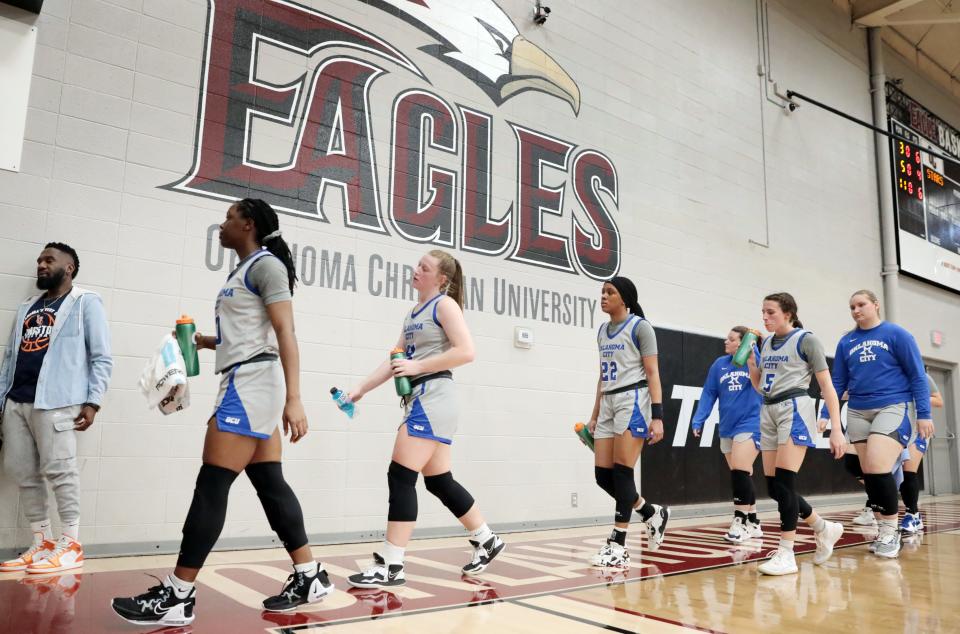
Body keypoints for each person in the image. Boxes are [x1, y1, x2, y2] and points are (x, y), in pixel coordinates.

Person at [111, 199, 332, 627]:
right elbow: (252, 332)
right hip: (248, 380)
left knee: (211, 485)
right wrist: (209, 342)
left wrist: (295, 398)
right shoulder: (244, 270)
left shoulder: (266, 267)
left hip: (251, 386)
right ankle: (309, 576)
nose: (222, 224)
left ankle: (178, 596)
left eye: (230, 217)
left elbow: (285, 332)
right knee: (269, 482)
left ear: (247, 224)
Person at [345, 250, 503, 588]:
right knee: (438, 481)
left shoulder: (444, 305)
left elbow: (466, 351)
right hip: (423, 398)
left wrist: (417, 367)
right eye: (417, 264)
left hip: (434, 397)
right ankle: (486, 538)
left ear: (441, 278)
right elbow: (395, 359)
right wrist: (361, 387)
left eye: (424, 267)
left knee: (400, 476)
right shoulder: (413, 313)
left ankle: (392, 563)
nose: (416, 269)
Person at [0, 242, 112, 574]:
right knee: (24, 473)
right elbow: (10, 358)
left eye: (49, 259)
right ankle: (42, 542)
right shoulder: (27, 307)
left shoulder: (85, 303)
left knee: (61, 472)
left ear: (70, 267)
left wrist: (93, 402)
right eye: (39, 260)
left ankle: (71, 544)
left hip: (57, 402)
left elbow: (101, 357)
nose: (41, 264)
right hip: (17, 401)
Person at [821, 290, 932, 556]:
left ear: (875, 305)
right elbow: (837, 382)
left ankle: (890, 532)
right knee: (869, 470)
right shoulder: (846, 341)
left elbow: (917, 376)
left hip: (892, 406)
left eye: (861, 304)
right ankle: (884, 530)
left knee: (879, 467)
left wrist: (924, 414)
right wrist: (827, 413)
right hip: (858, 410)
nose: (856, 310)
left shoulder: (897, 334)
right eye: (852, 307)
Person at [747, 292, 845, 575]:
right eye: (763, 312)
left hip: (794, 407)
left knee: (786, 483)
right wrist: (753, 368)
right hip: (768, 409)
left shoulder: (806, 340)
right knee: (773, 487)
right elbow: (761, 387)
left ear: (788, 313)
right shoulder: (765, 344)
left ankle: (787, 553)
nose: (765, 318)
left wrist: (836, 429)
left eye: (771, 312)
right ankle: (823, 528)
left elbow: (827, 387)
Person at [587, 277, 670, 568]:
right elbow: (602, 375)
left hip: (632, 400)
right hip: (609, 401)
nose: (604, 296)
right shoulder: (602, 331)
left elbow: (653, 372)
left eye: (610, 292)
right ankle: (649, 512)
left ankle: (618, 545)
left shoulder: (640, 327)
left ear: (625, 298)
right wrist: (595, 414)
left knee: (623, 473)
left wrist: (657, 416)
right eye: (602, 292)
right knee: (602, 475)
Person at [691, 327, 763, 543]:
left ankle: (739, 521)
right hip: (727, 426)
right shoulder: (719, 365)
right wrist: (698, 418)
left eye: (731, 339)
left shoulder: (754, 359)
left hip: (751, 423)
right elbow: (709, 393)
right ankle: (754, 521)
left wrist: (753, 350)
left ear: (743, 343)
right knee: (742, 474)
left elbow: (762, 377)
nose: (726, 341)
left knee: (740, 471)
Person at [899, 371, 943, 533]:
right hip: (897, 425)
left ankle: (913, 515)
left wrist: (913, 398)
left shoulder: (921, 375)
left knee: (908, 470)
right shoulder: (890, 373)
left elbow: (939, 401)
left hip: (919, 428)